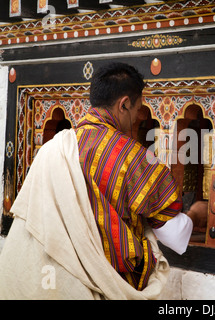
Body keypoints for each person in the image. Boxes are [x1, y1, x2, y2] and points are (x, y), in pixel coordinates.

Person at [0, 62, 196, 299]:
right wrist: (196, 214)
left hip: (52, 286)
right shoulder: (135, 159)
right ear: (124, 104)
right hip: (105, 287)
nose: (137, 120)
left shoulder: (52, 149)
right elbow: (174, 236)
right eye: (137, 111)